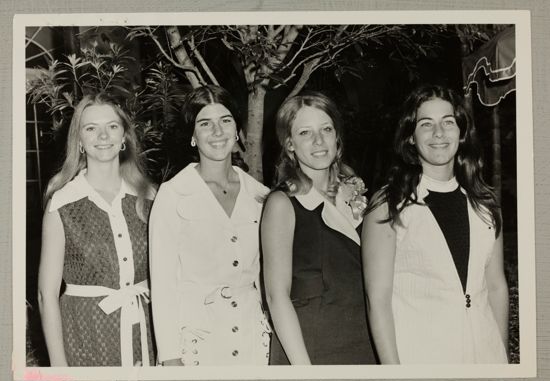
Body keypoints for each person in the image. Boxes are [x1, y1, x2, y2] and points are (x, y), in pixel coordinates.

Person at [363, 84, 509, 364]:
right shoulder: (389, 204)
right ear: (410, 138)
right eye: (426, 124)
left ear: (461, 132)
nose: (439, 133)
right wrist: (396, 378)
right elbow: (377, 302)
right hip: (422, 358)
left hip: (484, 355)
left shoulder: (486, 203)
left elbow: (496, 287)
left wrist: (501, 359)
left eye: (448, 122)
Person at [149, 85, 271, 366]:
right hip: (199, 343)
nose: (217, 132)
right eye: (205, 124)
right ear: (193, 136)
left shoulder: (260, 195)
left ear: (238, 130)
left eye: (225, 121)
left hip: (252, 339)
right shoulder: (173, 195)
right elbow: (164, 285)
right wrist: (170, 357)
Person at [38, 92, 156, 367]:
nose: (103, 136)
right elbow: (46, 295)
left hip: (145, 334)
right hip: (86, 337)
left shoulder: (150, 198)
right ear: (79, 141)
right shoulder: (63, 203)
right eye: (91, 128)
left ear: (124, 136)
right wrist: (60, 371)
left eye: (112, 126)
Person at [262, 91, 376, 365]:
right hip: (312, 353)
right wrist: (306, 373)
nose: (318, 141)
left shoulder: (360, 197)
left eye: (326, 129)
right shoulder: (283, 203)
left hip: (364, 348)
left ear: (337, 136)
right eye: (305, 133)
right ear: (290, 144)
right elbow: (276, 297)